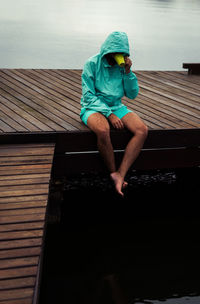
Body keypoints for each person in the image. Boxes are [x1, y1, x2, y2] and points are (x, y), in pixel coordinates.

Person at [80, 31, 148, 196]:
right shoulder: (92, 63)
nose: (117, 56)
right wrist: (109, 114)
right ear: (107, 50)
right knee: (103, 131)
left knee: (142, 130)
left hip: (117, 105)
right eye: (114, 53)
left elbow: (132, 94)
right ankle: (112, 172)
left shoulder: (122, 66)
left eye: (121, 53)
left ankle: (121, 173)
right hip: (93, 106)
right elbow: (88, 95)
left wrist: (128, 71)